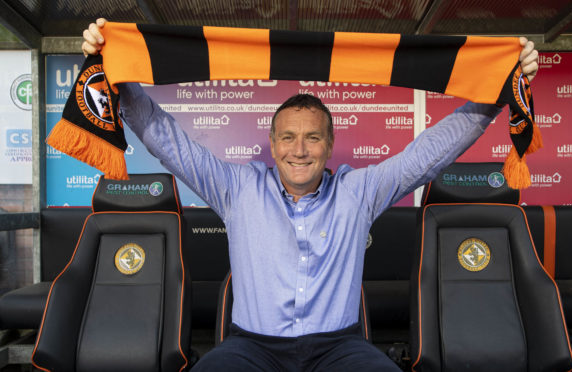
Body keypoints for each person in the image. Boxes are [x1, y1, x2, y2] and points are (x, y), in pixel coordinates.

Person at [82, 19, 538, 372]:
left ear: (330, 145)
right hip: (250, 348)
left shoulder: (359, 191)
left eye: (313, 138)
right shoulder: (237, 188)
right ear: (273, 142)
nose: (299, 150)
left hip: (340, 348)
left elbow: (429, 153)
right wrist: (114, 70)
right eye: (288, 138)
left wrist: (497, 91)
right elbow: (167, 140)